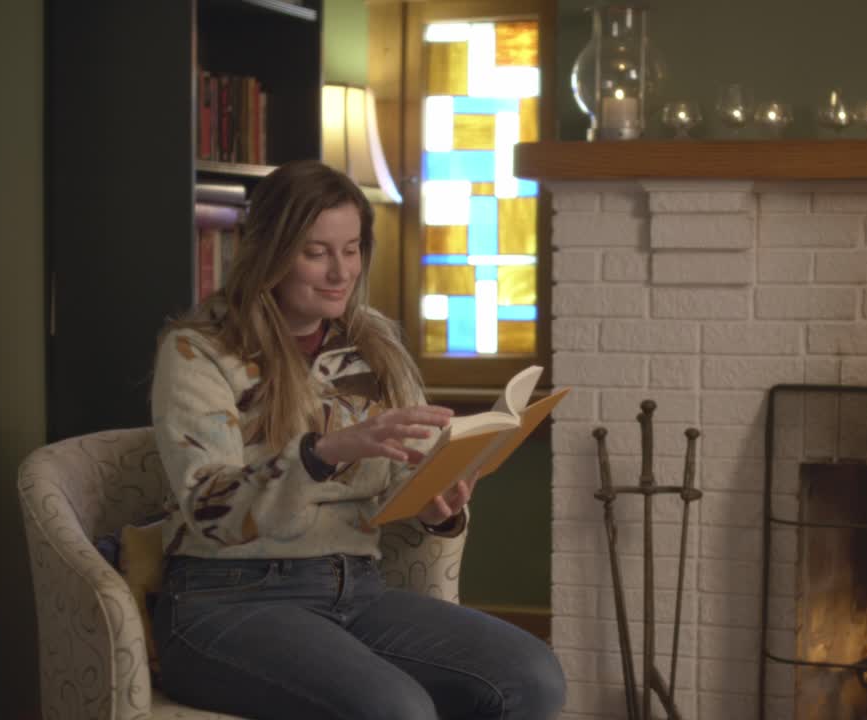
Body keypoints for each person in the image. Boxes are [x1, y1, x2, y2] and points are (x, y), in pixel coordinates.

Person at [149, 159, 566, 719]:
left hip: (356, 587)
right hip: (226, 599)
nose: (339, 272)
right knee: (398, 710)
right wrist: (324, 454)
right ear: (269, 250)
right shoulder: (198, 351)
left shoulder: (374, 345)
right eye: (315, 252)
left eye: (351, 249)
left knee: (533, 675)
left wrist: (437, 504)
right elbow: (211, 510)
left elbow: (401, 480)